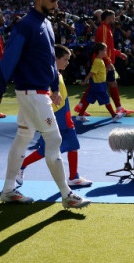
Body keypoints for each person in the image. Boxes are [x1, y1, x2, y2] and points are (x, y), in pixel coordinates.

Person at [0, 0, 89, 209]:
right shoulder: (25, 25)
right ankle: (67, 194)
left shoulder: (46, 24)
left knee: (23, 138)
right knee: (54, 139)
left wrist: (54, 87)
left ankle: (8, 190)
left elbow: (49, 59)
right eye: (52, 0)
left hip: (38, 91)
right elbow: (8, 59)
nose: (56, 5)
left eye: (56, 0)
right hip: (32, 92)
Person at [18, 44, 92, 188]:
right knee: (44, 150)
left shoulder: (58, 75)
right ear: (55, 59)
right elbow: (45, 99)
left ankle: (74, 177)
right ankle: (21, 166)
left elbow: (62, 98)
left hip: (65, 116)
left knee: (73, 145)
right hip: (53, 118)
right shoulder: (47, 77)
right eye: (65, 59)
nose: (67, 62)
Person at [75, 10, 131, 117]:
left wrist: (119, 54)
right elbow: (103, 48)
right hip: (103, 62)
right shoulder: (104, 29)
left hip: (103, 61)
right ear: (108, 18)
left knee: (94, 85)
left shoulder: (106, 28)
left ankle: (80, 107)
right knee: (111, 84)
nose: (115, 19)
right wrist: (108, 62)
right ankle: (119, 109)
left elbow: (107, 48)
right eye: (113, 17)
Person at [82, 42, 123, 119]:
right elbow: (92, 72)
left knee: (88, 100)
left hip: (97, 84)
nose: (106, 52)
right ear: (100, 51)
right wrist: (85, 80)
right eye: (105, 50)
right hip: (99, 85)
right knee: (106, 100)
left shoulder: (99, 60)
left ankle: (80, 115)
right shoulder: (98, 61)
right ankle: (114, 115)